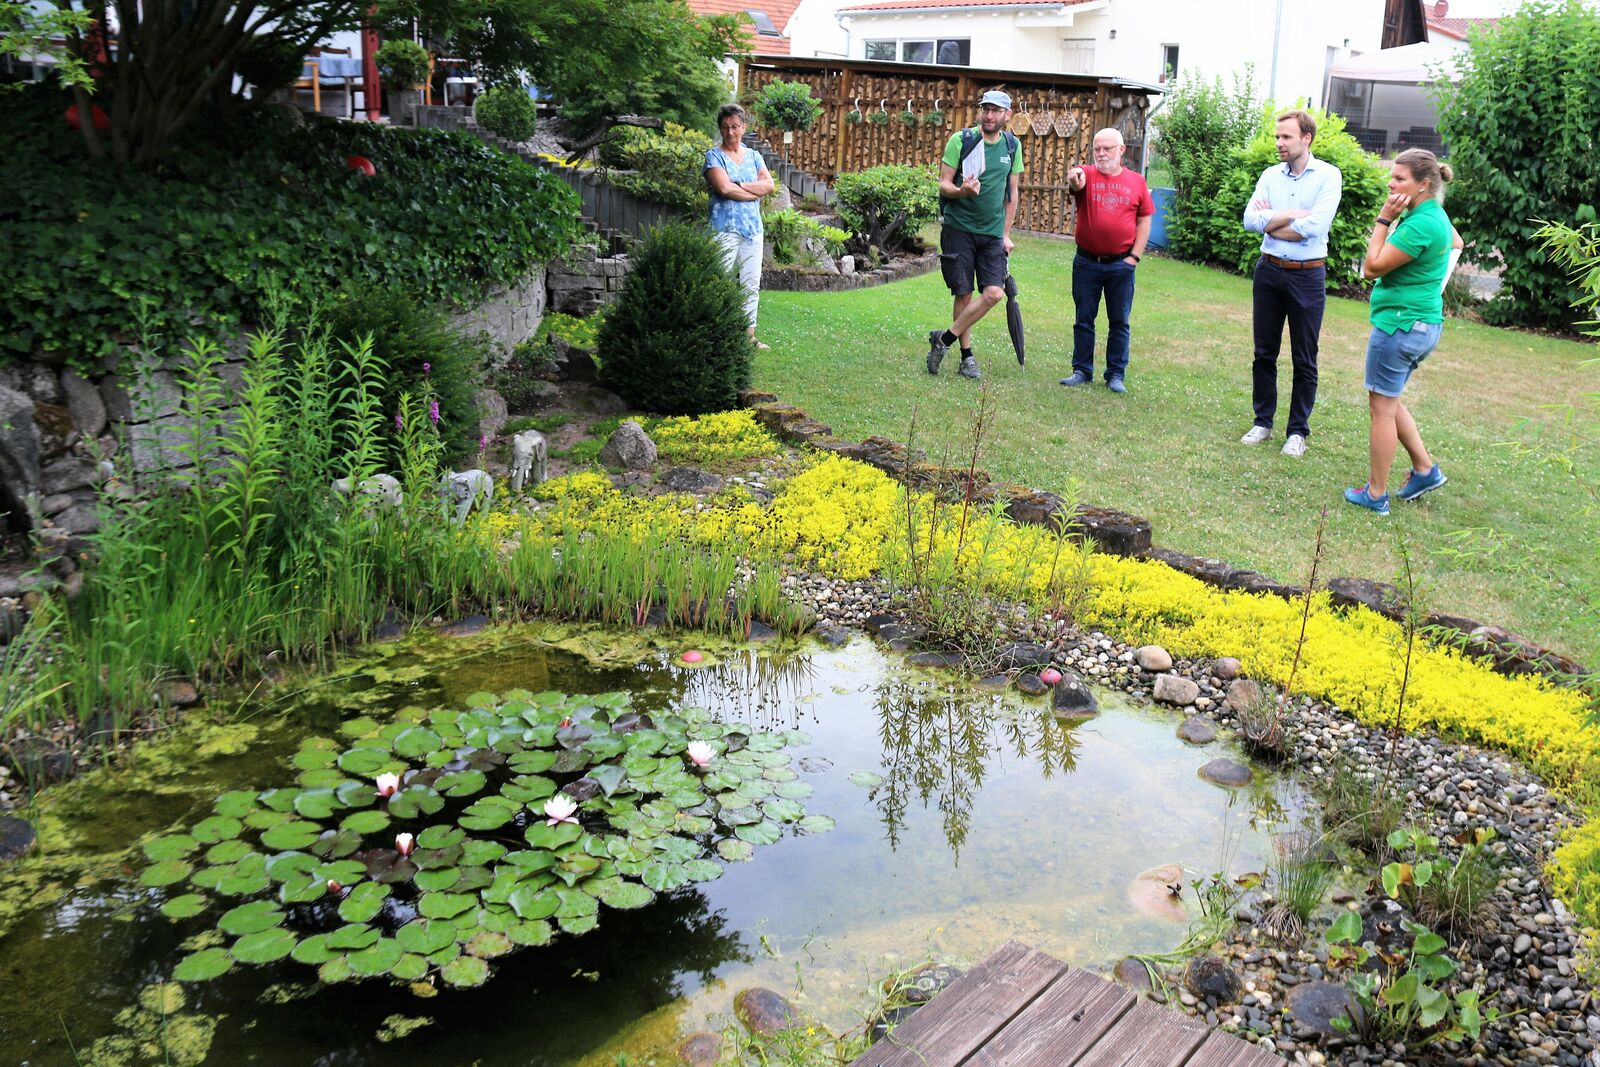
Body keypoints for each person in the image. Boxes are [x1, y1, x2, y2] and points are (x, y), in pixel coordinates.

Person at [1342, 149, 1462, 516]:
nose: (1391, 184)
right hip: (1424, 324)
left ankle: (1375, 494)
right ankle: (1424, 469)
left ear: (1424, 184)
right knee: (1389, 401)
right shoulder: (1433, 215)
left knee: (1380, 407)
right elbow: (1455, 243)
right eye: (1391, 177)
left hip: (1400, 325)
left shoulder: (1419, 223)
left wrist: (1383, 219)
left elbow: (1371, 268)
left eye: (1399, 179)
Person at [1239, 109, 1343, 457]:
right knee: (1264, 352)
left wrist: (1273, 222)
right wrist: (1290, 216)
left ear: (1306, 138)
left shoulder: (1329, 176)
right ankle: (1263, 422)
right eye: (1277, 137)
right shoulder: (1271, 175)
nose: (1279, 143)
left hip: (1308, 275)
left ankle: (1297, 431)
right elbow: (1250, 220)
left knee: (1304, 356)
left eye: (1286, 137)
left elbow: (1314, 227)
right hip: (1269, 271)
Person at [925, 89, 1025, 380]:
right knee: (964, 293)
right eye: (986, 109)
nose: (989, 115)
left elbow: (1012, 194)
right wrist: (962, 191)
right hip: (959, 229)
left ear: (1007, 115)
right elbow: (943, 184)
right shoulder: (963, 140)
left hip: (992, 234)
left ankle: (943, 340)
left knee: (993, 293)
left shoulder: (1011, 146)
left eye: (996, 111)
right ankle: (966, 356)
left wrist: (1005, 234)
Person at [1059, 127, 1153, 394]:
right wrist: (1074, 179)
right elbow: (1076, 183)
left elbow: (1145, 219)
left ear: (1121, 150)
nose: (1101, 154)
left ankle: (1115, 375)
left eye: (1107, 148)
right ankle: (1082, 370)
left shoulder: (1136, 182)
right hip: (1086, 262)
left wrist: (1134, 257)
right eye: (1097, 149)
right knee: (1084, 318)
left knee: (1119, 321)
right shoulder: (1086, 174)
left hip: (1121, 264)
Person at [704, 103, 776, 349]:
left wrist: (739, 185)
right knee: (719, 281)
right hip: (723, 229)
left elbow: (769, 186)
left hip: (752, 230)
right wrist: (752, 190)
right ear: (720, 129)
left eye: (735, 126)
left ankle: (748, 337)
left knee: (750, 283)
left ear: (744, 127)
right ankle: (716, 334)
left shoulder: (754, 156)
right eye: (725, 127)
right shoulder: (713, 156)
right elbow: (723, 188)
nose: (730, 132)